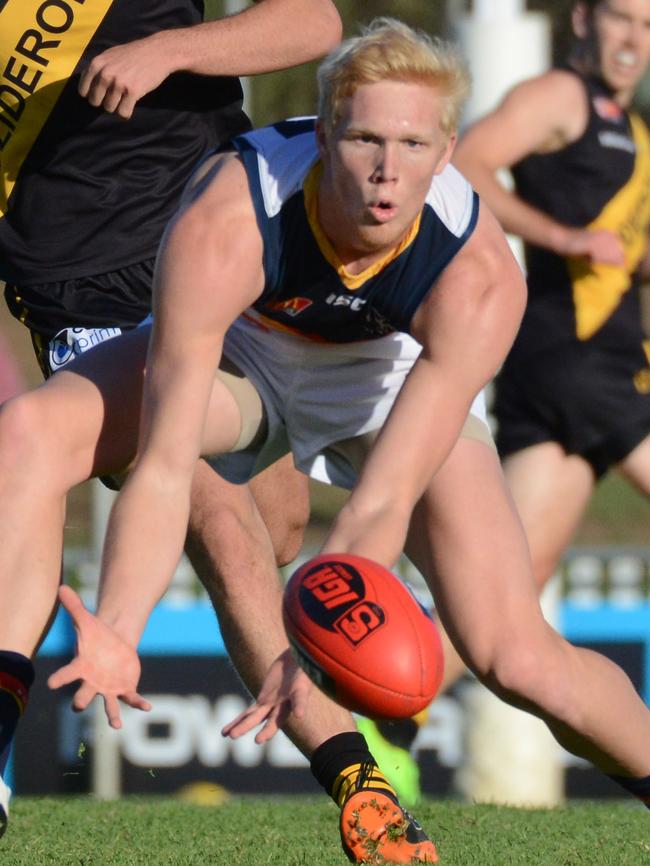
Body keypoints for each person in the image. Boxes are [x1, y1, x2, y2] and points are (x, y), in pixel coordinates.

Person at [35, 15, 650, 861]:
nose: (387, 171)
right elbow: (170, 459)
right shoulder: (230, 213)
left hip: (387, 381)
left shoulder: (477, 279)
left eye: (411, 144)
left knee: (517, 657)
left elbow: (385, 497)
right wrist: (121, 625)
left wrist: (322, 651)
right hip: (250, 358)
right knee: (40, 430)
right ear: (324, 133)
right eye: (363, 137)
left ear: (447, 149)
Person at [0, 0, 395, 847]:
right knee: (215, 513)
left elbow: (315, 23)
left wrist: (173, 50)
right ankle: (362, 788)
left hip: (224, 242)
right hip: (87, 282)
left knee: (276, 532)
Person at [443, 0, 650, 689]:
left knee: (507, 593)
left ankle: (388, 710)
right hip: (579, 365)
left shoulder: (636, 131)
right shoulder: (562, 96)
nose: (634, 38)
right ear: (585, 20)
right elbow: (466, 162)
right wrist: (560, 239)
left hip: (573, 374)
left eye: (649, 26)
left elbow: (623, 253)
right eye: (622, 18)